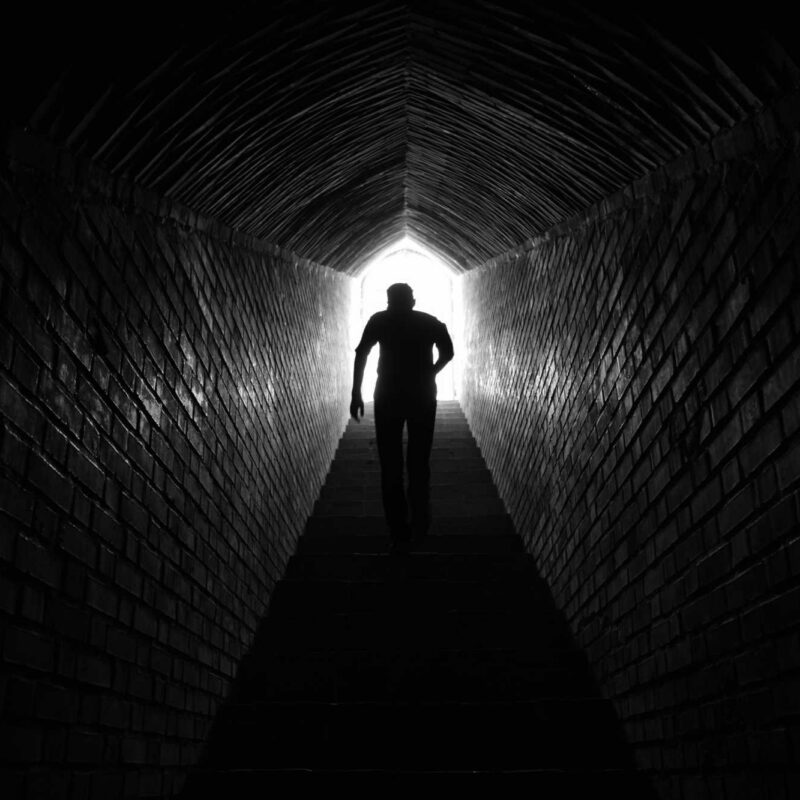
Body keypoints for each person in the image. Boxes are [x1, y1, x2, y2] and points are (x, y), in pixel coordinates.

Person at [350, 283, 454, 551]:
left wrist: (356, 394)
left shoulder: (380, 320)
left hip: (388, 395)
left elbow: (361, 353)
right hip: (421, 395)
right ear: (413, 300)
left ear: (388, 300)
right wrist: (431, 371)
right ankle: (420, 526)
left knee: (391, 465)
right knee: (419, 462)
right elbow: (448, 352)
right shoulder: (429, 322)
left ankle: (399, 533)